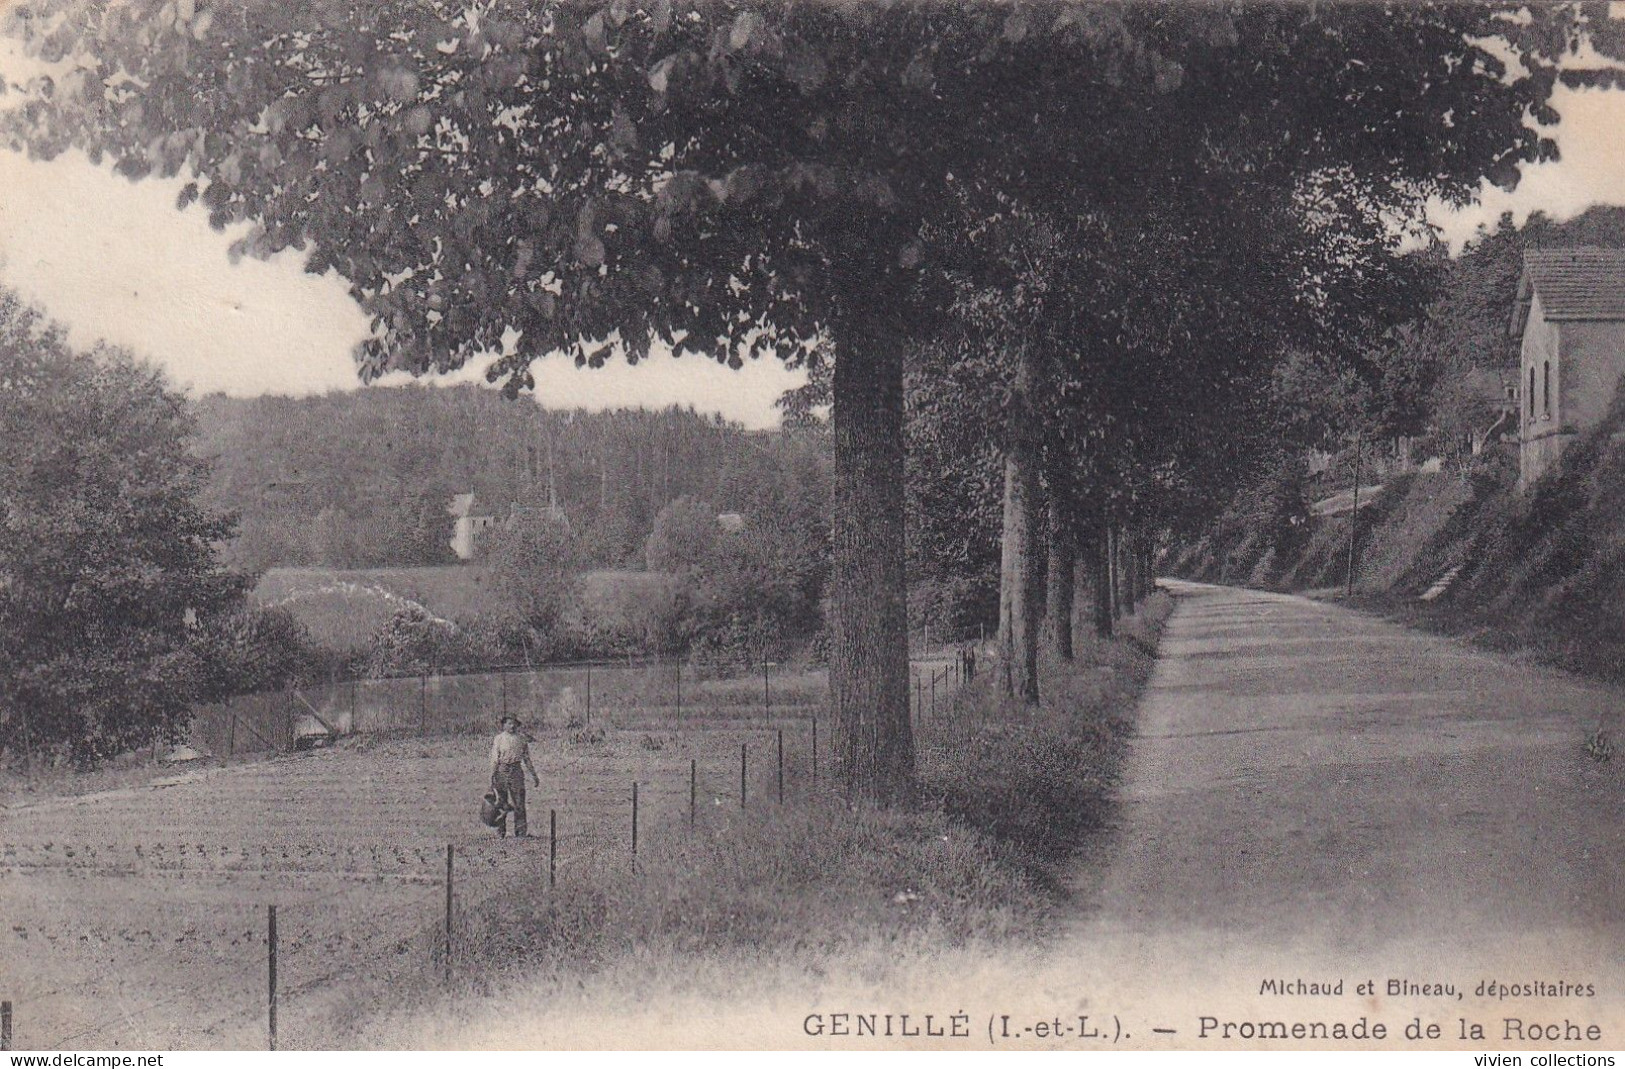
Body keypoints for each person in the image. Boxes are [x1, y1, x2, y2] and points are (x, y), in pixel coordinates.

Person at [489, 715, 539, 838]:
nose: (512, 726)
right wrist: (492, 775)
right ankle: (500, 832)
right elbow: (495, 758)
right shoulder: (499, 739)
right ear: (504, 725)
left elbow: (527, 759)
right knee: (501, 802)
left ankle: (521, 832)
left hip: (516, 771)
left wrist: (534, 775)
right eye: (509, 723)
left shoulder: (521, 739)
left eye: (514, 723)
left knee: (519, 802)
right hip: (502, 770)